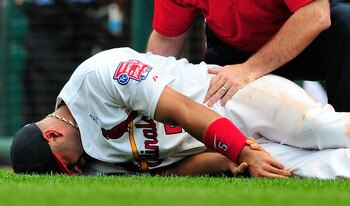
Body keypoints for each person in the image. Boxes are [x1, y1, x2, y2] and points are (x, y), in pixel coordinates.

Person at [9, 48, 350, 179]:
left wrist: (242, 150)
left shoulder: (98, 76)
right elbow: (167, 172)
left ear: (52, 135)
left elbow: (186, 111)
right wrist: (231, 162)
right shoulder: (91, 164)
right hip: (223, 146)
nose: (74, 172)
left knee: (318, 129)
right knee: (316, 170)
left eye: (65, 165)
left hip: (232, 97)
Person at [146, 0, 350, 112]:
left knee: (345, 21)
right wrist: (144, 92)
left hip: (305, 41)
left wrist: (249, 70)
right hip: (233, 50)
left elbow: (315, 15)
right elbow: (167, 39)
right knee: (212, 116)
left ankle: (345, 140)